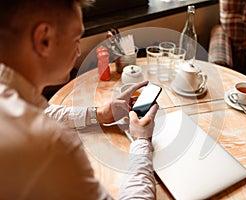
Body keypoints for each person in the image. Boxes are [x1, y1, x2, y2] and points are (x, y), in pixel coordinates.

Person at [0, 0, 158, 199]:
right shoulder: (52, 145)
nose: (78, 52)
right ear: (44, 39)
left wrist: (99, 114)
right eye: (76, 40)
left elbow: (39, 111)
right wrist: (142, 142)